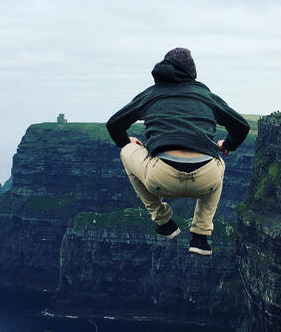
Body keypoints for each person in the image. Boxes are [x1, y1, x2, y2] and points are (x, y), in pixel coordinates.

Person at [106, 48, 249, 255]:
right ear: (192, 72)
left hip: (161, 177)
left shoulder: (151, 94)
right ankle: (200, 236)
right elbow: (241, 126)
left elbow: (114, 124)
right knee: (219, 163)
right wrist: (227, 145)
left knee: (126, 151)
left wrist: (127, 141)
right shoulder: (206, 95)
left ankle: (163, 222)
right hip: (205, 179)